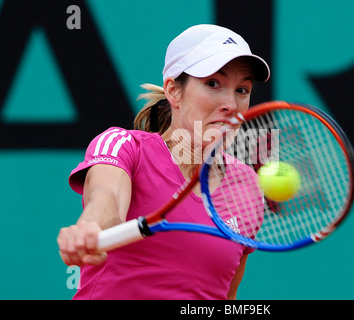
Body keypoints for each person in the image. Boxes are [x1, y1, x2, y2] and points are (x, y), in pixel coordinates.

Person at [57, 24, 270, 300]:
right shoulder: (124, 147)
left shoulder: (247, 186)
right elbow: (106, 198)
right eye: (213, 83)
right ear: (173, 90)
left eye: (242, 90)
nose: (231, 103)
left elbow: (226, 296)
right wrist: (91, 228)